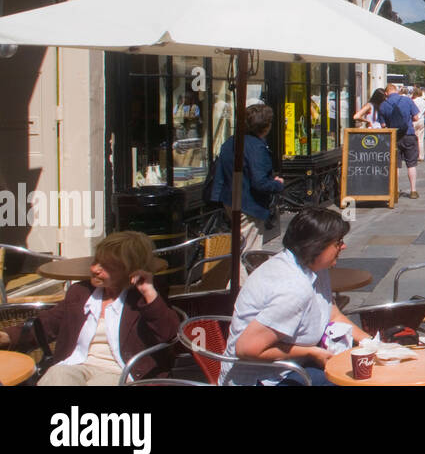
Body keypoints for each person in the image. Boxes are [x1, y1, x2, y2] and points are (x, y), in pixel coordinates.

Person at [0, 230, 179, 385]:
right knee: (57, 375)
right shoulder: (81, 292)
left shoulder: (142, 299)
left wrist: (148, 292)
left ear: (130, 270)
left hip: (121, 371)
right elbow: (48, 322)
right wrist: (7, 336)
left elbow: (170, 334)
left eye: (106, 267)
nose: (94, 269)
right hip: (78, 364)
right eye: (96, 261)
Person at [221, 208, 370, 385]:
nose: (343, 246)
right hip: (267, 379)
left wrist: (372, 344)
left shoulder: (316, 268)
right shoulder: (293, 289)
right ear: (316, 246)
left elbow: (333, 315)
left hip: (294, 367)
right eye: (338, 242)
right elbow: (247, 348)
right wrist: (310, 352)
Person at [213, 102, 285, 255]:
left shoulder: (231, 142)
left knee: (240, 245)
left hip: (230, 199)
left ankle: (236, 278)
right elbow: (260, 182)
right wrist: (277, 184)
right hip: (247, 203)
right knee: (248, 251)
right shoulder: (255, 147)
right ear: (266, 127)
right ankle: (243, 279)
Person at [380, 82, 421, 198]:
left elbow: (383, 125)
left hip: (394, 136)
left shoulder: (383, 105)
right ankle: (413, 190)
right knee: (411, 164)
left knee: (396, 165)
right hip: (408, 134)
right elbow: (416, 117)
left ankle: (396, 190)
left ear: (386, 93)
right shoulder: (407, 100)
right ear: (396, 91)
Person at [412, 87, 425, 162]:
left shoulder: (413, 101)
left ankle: (414, 154)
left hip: (414, 120)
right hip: (421, 120)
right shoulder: (424, 102)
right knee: (420, 139)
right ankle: (421, 155)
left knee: (413, 138)